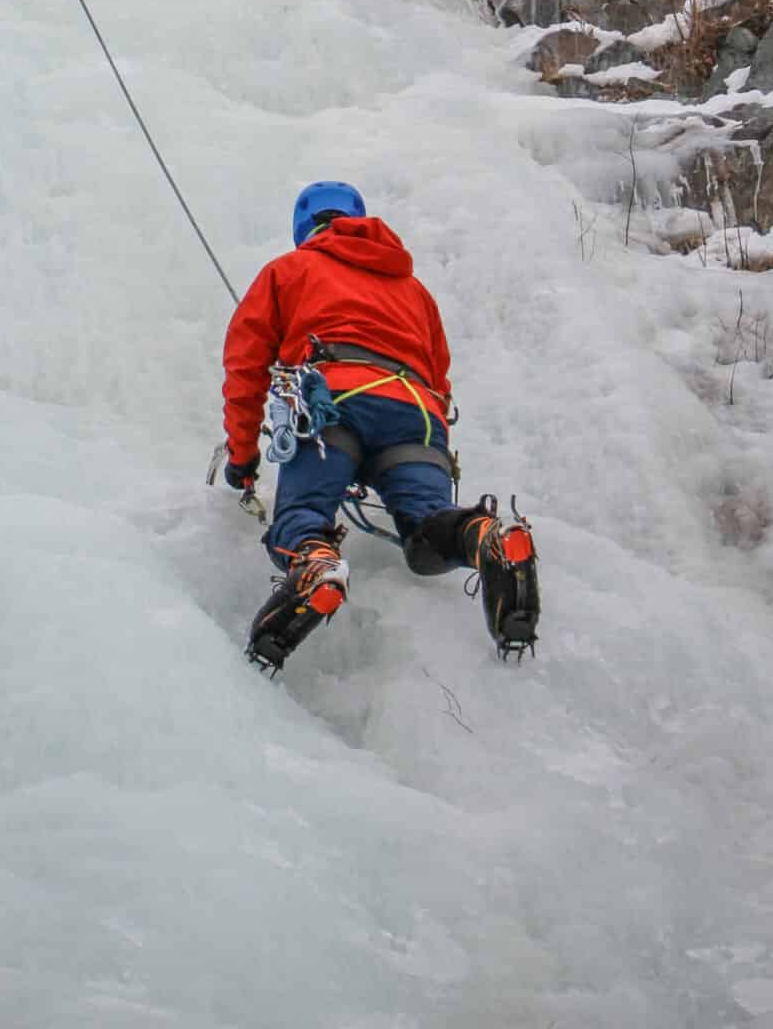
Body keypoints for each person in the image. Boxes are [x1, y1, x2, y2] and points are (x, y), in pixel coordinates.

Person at [220, 181, 538, 672]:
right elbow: (439, 377)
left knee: (301, 516)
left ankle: (316, 565)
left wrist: (243, 458)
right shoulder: (414, 291)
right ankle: (484, 537)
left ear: (305, 228)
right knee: (425, 524)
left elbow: (246, 370)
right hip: (415, 412)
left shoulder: (289, 270)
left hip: (333, 404)